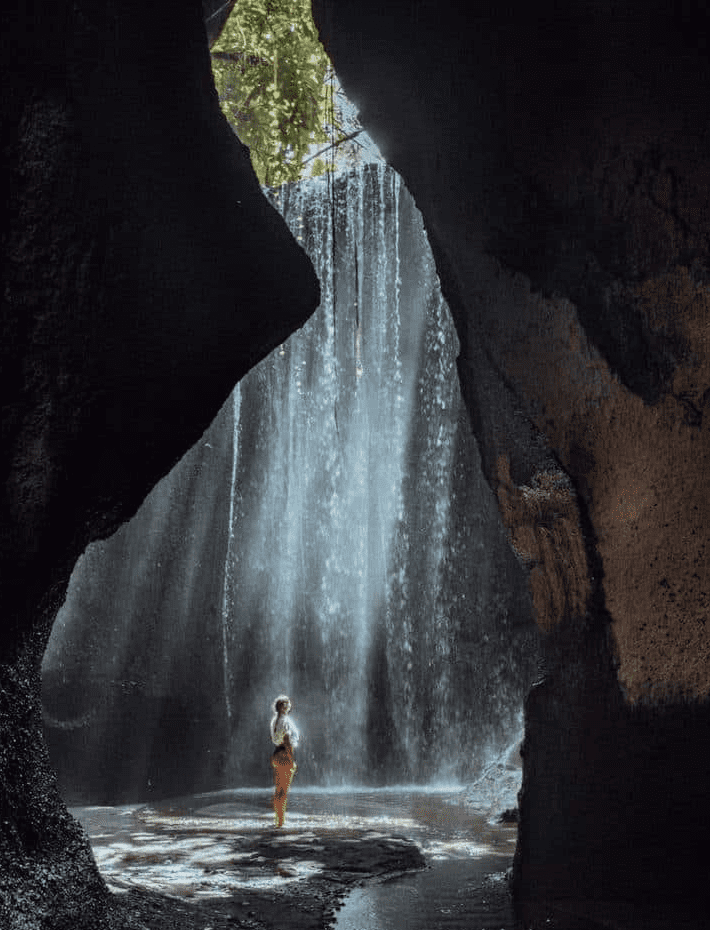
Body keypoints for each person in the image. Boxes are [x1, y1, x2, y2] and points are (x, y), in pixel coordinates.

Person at [270, 694, 299, 828]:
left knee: (278, 789)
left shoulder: (274, 720)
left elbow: (275, 739)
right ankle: (281, 822)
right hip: (285, 753)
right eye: (284, 704)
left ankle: (278, 819)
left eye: (287, 704)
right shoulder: (285, 720)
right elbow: (287, 738)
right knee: (283, 790)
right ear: (280, 707)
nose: (287, 707)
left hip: (276, 754)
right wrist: (290, 757)